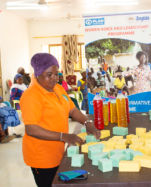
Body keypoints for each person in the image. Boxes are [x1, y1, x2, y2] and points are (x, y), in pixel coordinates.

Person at [20, 53, 100, 187]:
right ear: (38, 74)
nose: (54, 78)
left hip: (57, 150)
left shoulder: (57, 88)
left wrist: (88, 123)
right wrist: (63, 137)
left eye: (56, 74)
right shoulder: (32, 96)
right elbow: (31, 129)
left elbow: (73, 110)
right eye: (49, 74)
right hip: (42, 156)